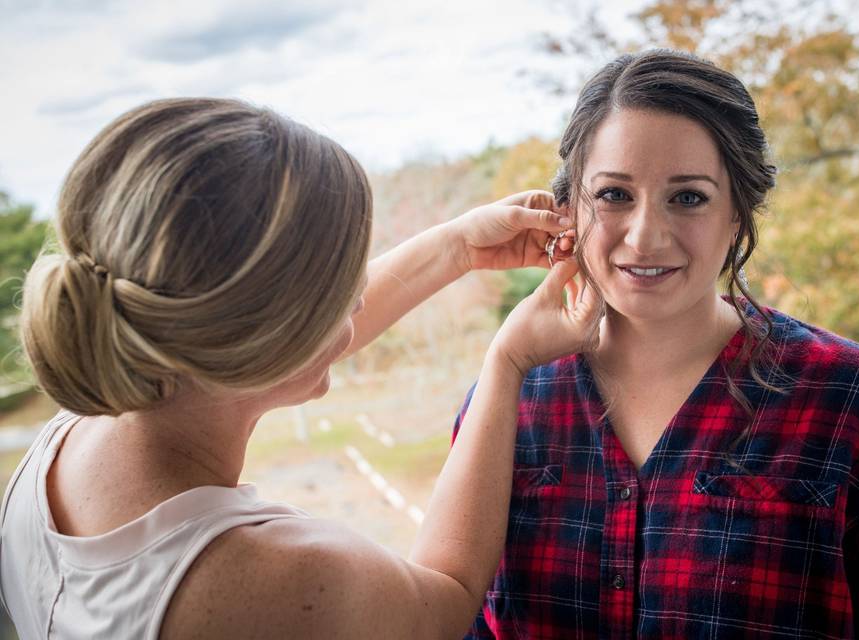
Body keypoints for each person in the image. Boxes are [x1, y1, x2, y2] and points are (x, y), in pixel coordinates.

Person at [0, 97, 602, 639]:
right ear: (268, 335)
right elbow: (445, 601)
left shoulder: (79, 420)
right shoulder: (281, 580)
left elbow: (265, 343)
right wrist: (507, 360)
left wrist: (455, 248)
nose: (360, 297)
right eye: (342, 285)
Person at [454, 49, 859, 639]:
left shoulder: (856, 401)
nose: (646, 236)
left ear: (739, 216)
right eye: (614, 194)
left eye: (688, 197)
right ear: (570, 210)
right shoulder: (507, 400)